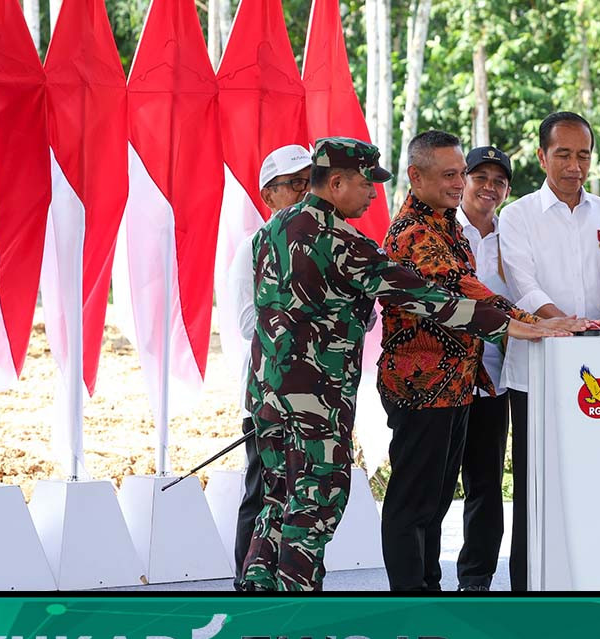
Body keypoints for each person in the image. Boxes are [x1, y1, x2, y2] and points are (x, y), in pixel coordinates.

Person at [242, 136, 565, 592]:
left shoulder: (272, 230)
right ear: (336, 183)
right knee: (316, 503)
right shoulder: (343, 241)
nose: (373, 194)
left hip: (268, 392)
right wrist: (511, 325)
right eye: (365, 184)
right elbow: (426, 297)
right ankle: (298, 620)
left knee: (276, 498)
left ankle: (255, 603)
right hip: (317, 397)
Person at [376, 131, 581, 592]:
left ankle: (435, 591)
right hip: (421, 387)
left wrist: (527, 322)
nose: (460, 183)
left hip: (460, 385)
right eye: (451, 175)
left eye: (459, 174)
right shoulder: (414, 233)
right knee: (414, 504)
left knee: (437, 501)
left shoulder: (446, 224)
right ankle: (412, 603)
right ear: (416, 176)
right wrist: (526, 322)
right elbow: (466, 293)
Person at [498, 111, 600, 591]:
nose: (574, 165)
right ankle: (528, 593)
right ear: (541, 157)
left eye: (583, 155)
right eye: (563, 154)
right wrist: (562, 324)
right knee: (537, 491)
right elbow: (521, 283)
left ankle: (591, 587)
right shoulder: (516, 216)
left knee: (593, 489)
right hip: (536, 375)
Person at [224, 144, 312, 590]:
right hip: (270, 395)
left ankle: (293, 593)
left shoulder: (323, 246)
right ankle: (249, 590)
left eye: (309, 182)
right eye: (293, 184)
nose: (303, 193)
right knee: (263, 497)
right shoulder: (254, 247)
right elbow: (246, 323)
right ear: (268, 196)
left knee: (305, 504)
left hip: (317, 400)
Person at [454, 145, 516, 591]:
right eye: (481, 178)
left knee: (485, 487)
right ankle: (419, 585)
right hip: (440, 383)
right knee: (432, 489)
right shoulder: (438, 231)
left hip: (494, 382)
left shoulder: (512, 236)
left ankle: (475, 581)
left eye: (498, 181)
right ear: (463, 181)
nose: (488, 188)